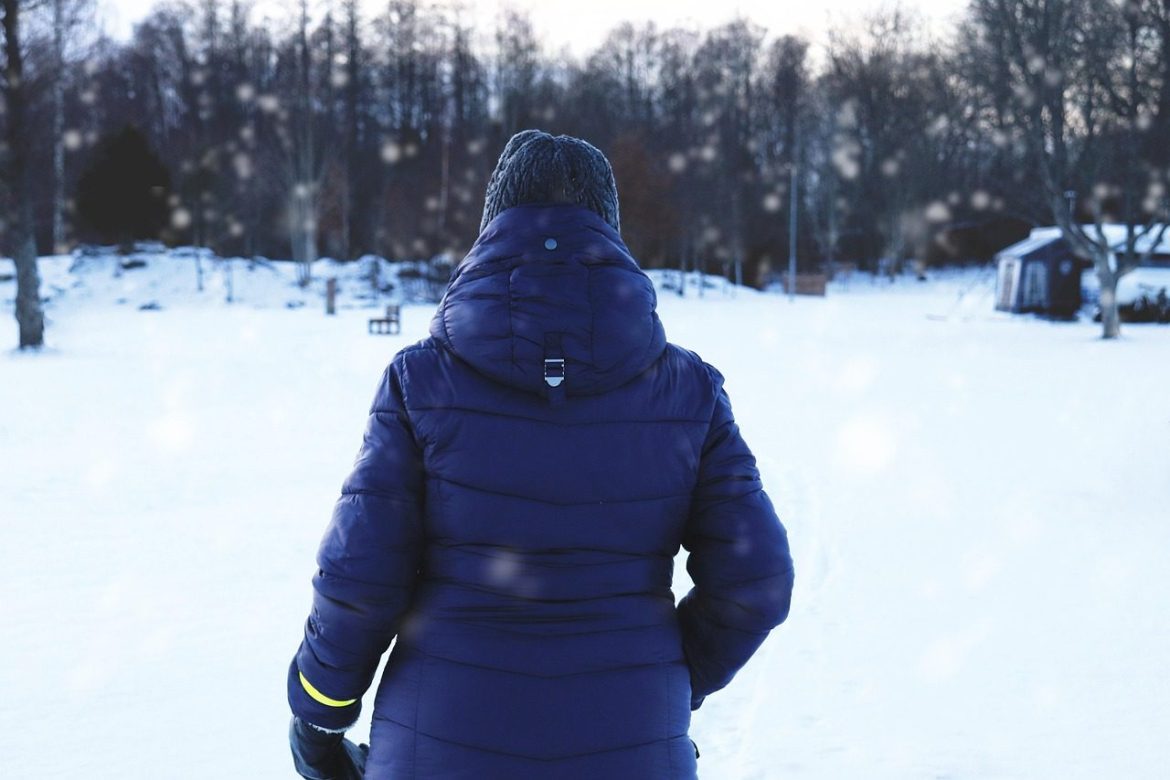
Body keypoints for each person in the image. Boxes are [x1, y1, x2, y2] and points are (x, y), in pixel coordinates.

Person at [287, 129, 795, 779]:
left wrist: (321, 713)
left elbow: (361, 574)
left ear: (491, 226)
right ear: (610, 230)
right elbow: (757, 579)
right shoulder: (690, 392)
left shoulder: (420, 382)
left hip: (438, 747)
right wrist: (664, 676)